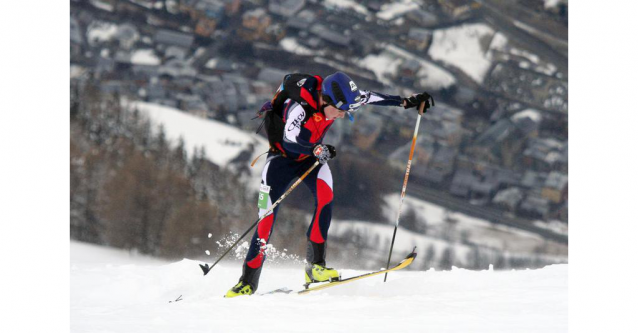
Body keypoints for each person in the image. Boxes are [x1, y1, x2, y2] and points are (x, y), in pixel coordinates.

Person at [225, 72, 434, 297]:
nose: (342, 116)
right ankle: (247, 282)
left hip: (313, 157)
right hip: (281, 160)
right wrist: (315, 149)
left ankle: (315, 267)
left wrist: (405, 102)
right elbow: (289, 140)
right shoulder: (299, 108)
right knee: (266, 220)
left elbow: (371, 97)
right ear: (325, 100)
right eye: (340, 111)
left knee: (325, 198)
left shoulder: (340, 99)